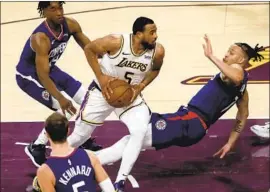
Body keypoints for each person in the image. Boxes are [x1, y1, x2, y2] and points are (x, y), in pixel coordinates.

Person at [95, 36, 265, 180]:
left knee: (133, 139)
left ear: (241, 60)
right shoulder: (243, 91)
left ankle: (92, 163)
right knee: (135, 137)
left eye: (231, 52)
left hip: (189, 122)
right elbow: (242, 116)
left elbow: (236, 75)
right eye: (227, 51)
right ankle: (94, 160)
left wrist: (211, 56)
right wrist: (229, 143)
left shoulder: (237, 72)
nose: (226, 54)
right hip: (189, 121)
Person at [67, 16, 165, 191]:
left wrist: (140, 86)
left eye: (156, 32)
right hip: (102, 92)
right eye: (152, 32)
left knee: (139, 130)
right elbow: (89, 49)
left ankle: (120, 181)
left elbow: (156, 69)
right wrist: (101, 77)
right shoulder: (116, 42)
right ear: (138, 34)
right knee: (79, 136)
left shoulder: (157, 52)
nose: (156, 36)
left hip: (129, 96)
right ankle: (50, 166)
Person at [15, 1, 101, 167]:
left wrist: (107, 60)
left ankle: (82, 139)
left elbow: (90, 48)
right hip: (29, 76)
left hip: (50, 69)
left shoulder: (70, 25)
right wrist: (61, 98)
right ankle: (37, 145)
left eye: (60, 7)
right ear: (44, 12)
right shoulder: (40, 38)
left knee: (87, 100)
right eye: (53, 9)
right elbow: (42, 75)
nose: (59, 12)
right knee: (65, 110)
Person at [32, 112, 115, 192]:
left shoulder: (45, 171)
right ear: (68, 131)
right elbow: (110, 190)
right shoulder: (90, 156)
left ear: (46, 134)